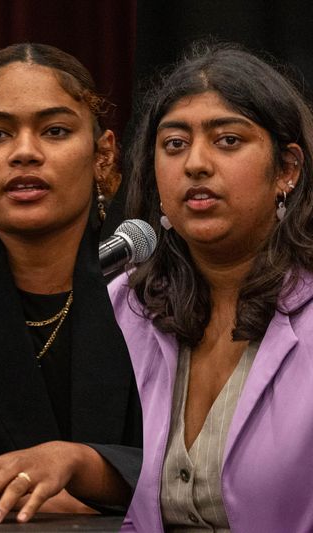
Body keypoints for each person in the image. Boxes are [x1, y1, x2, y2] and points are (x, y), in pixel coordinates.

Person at [0, 43, 142, 525]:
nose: (24, 152)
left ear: (103, 153)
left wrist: (87, 468)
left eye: (55, 130)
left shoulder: (154, 267)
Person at [110, 42, 313, 532]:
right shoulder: (121, 308)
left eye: (227, 140)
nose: (196, 164)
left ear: (287, 169)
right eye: (174, 144)